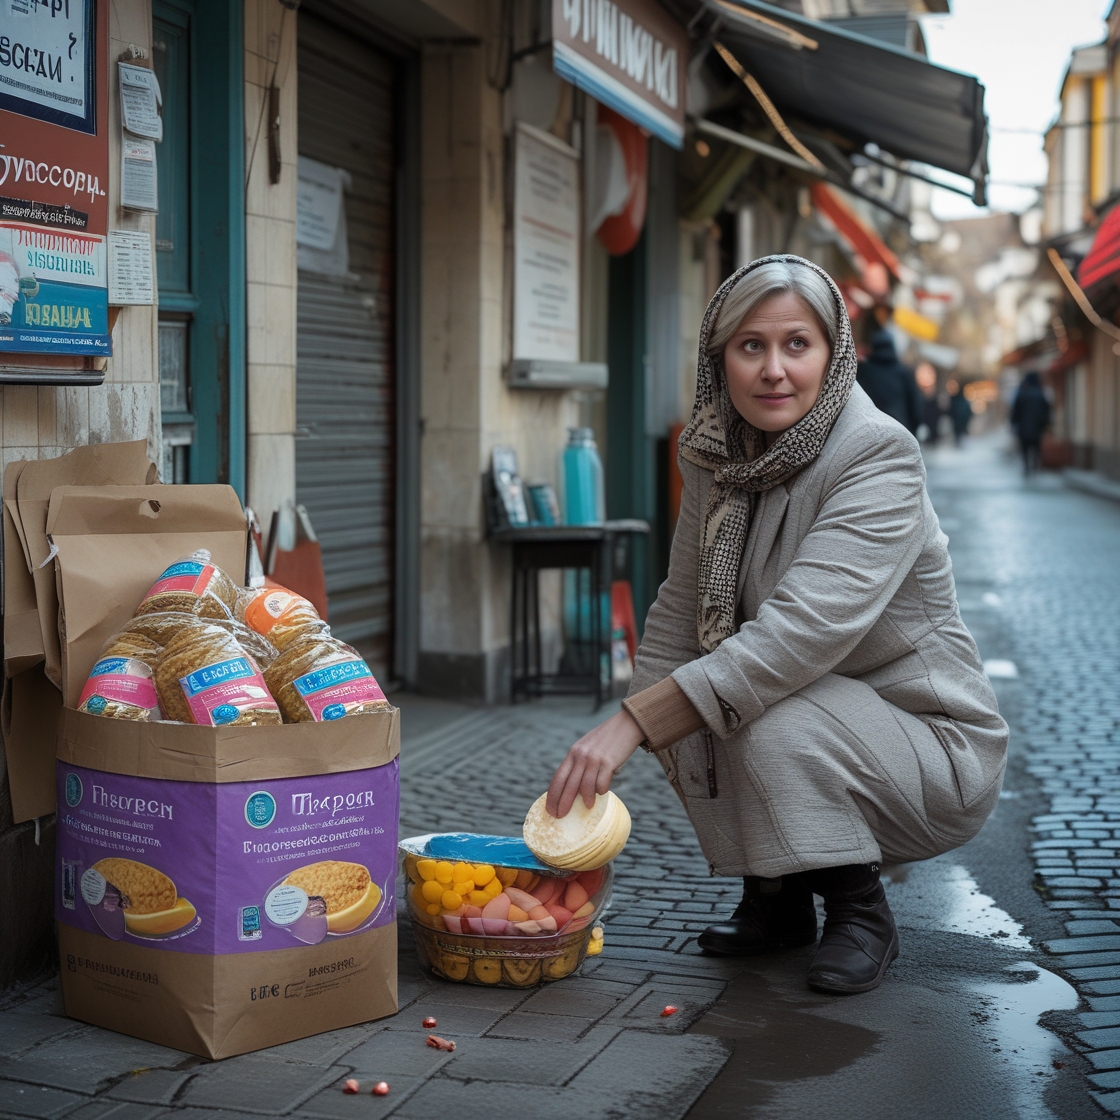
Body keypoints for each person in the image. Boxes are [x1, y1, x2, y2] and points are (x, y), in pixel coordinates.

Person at [546, 256, 1007, 996]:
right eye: (750, 346)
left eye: (797, 344)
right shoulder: (718, 455)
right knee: (691, 696)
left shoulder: (876, 453)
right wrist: (627, 727)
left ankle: (860, 913)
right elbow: (681, 601)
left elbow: (798, 637)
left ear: (833, 353)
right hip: (821, 709)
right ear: (718, 356)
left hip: (929, 744)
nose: (773, 370)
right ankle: (778, 895)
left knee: (748, 699)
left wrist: (637, 722)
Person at [856, 320, 924, 435]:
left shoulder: (862, 370)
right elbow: (915, 405)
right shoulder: (904, 372)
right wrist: (914, 429)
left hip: (868, 432)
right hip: (900, 429)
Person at [1010, 371, 1050, 475]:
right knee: (1036, 447)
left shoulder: (1022, 393)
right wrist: (1046, 424)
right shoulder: (1040, 393)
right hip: (1037, 427)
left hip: (1023, 427)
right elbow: (1046, 411)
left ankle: (1027, 466)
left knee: (1025, 448)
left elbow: (1015, 411)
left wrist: (1013, 423)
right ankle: (1035, 466)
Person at [949, 382, 972, 447]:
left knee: (958, 433)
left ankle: (959, 445)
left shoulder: (956, 401)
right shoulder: (961, 401)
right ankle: (959, 445)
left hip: (958, 421)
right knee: (959, 433)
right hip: (960, 421)